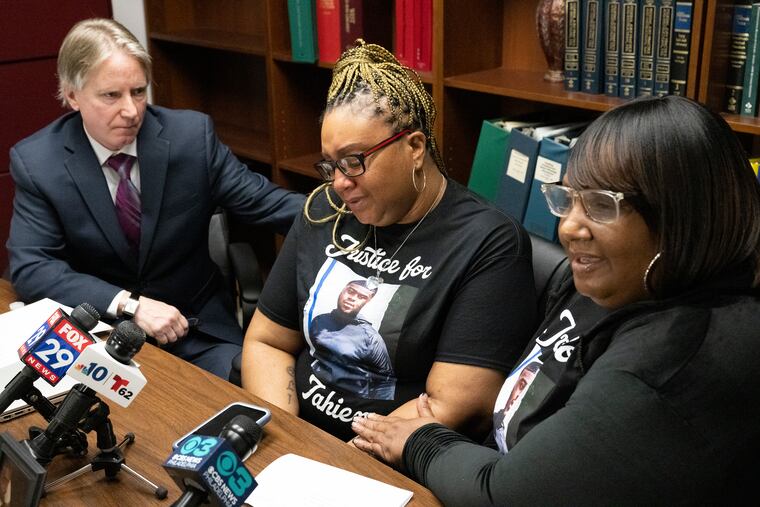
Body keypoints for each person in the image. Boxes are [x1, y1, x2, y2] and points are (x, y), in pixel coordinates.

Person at [351, 95, 760, 504]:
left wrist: (423, 441)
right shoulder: (612, 281)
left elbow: (507, 496)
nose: (569, 227)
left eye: (601, 205)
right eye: (568, 199)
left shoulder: (672, 359)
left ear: (679, 219)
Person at [241, 41, 537, 441]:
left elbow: (456, 405)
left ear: (414, 147)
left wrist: (337, 457)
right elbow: (267, 341)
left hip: (384, 458)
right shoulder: (324, 210)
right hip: (293, 431)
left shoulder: (488, 242)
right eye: (331, 165)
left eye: (354, 161)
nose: (340, 182)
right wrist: (288, 437)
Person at [7, 18, 304, 379]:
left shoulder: (191, 137)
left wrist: (359, 211)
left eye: (138, 91)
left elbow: (268, 204)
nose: (131, 111)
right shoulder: (39, 162)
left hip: (196, 331)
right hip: (99, 338)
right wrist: (129, 306)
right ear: (72, 95)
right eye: (111, 96)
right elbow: (32, 266)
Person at [309, 279, 396, 400]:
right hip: (311, 387)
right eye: (350, 291)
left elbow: (386, 382)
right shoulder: (319, 320)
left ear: (367, 301)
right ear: (342, 290)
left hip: (348, 402)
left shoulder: (371, 337)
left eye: (361, 296)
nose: (353, 298)